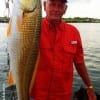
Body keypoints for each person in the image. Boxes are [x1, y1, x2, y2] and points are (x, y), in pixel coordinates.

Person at [29, 0, 97, 100]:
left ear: (65, 9)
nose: (56, 9)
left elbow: (79, 63)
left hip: (63, 95)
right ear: (44, 6)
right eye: (52, 4)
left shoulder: (73, 32)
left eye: (60, 6)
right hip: (36, 95)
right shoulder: (32, 29)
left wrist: (89, 86)